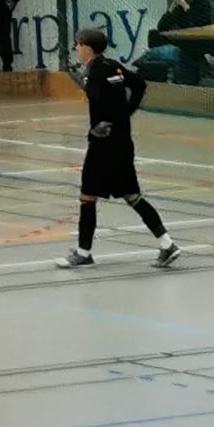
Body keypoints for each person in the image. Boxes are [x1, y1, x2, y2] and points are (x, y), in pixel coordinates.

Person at [58, 25, 179, 271]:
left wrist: (99, 126)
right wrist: (127, 113)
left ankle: (83, 253)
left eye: (78, 44)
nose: (76, 49)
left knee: (88, 196)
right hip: (123, 142)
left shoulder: (92, 72)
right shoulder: (114, 66)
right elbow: (139, 84)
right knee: (131, 195)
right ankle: (167, 244)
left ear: (87, 48)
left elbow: (97, 98)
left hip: (103, 145)